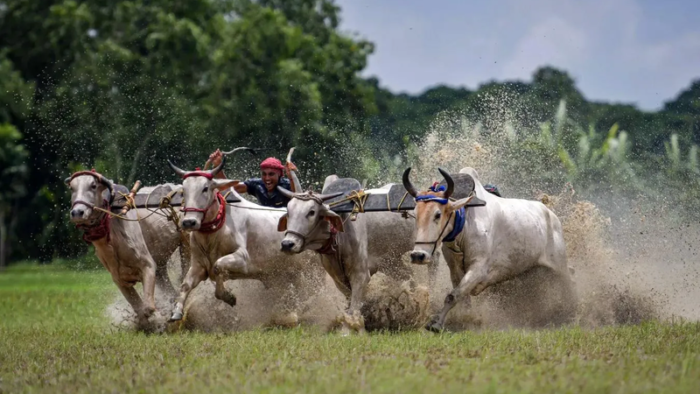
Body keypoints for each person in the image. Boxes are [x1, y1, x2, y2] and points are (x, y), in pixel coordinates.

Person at [207, 149, 293, 207]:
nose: (267, 178)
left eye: (271, 174)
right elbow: (231, 189)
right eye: (264, 174)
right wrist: (218, 165)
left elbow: (298, 199)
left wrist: (292, 178)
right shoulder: (257, 184)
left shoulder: (288, 185)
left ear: (279, 175)